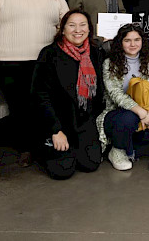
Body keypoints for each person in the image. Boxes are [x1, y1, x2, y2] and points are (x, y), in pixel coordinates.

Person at [0, 0, 69, 166]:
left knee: (39, 105)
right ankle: (25, 148)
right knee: (19, 106)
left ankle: (42, 146)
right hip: (7, 60)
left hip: (42, 61)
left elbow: (68, 26)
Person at [31, 10, 104, 180]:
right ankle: (45, 145)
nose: (77, 30)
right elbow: (40, 95)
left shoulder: (95, 53)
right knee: (62, 171)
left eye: (82, 25)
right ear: (62, 29)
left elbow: (99, 93)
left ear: (89, 29)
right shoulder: (49, 54)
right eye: (71, 25)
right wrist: (55, 130)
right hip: (59, 122)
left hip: (83, 121)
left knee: (90, 164)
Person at [97, 24, 149, 171]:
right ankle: (117, 150)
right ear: (120, 42)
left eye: (137, 39)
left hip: (140, 113)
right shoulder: (110, 63)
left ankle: (128, 144)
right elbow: (116, 95)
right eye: (127, 40)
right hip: (116, 114)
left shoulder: (146, 62)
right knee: (129, 118)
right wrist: (141, 112)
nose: (133, 44)